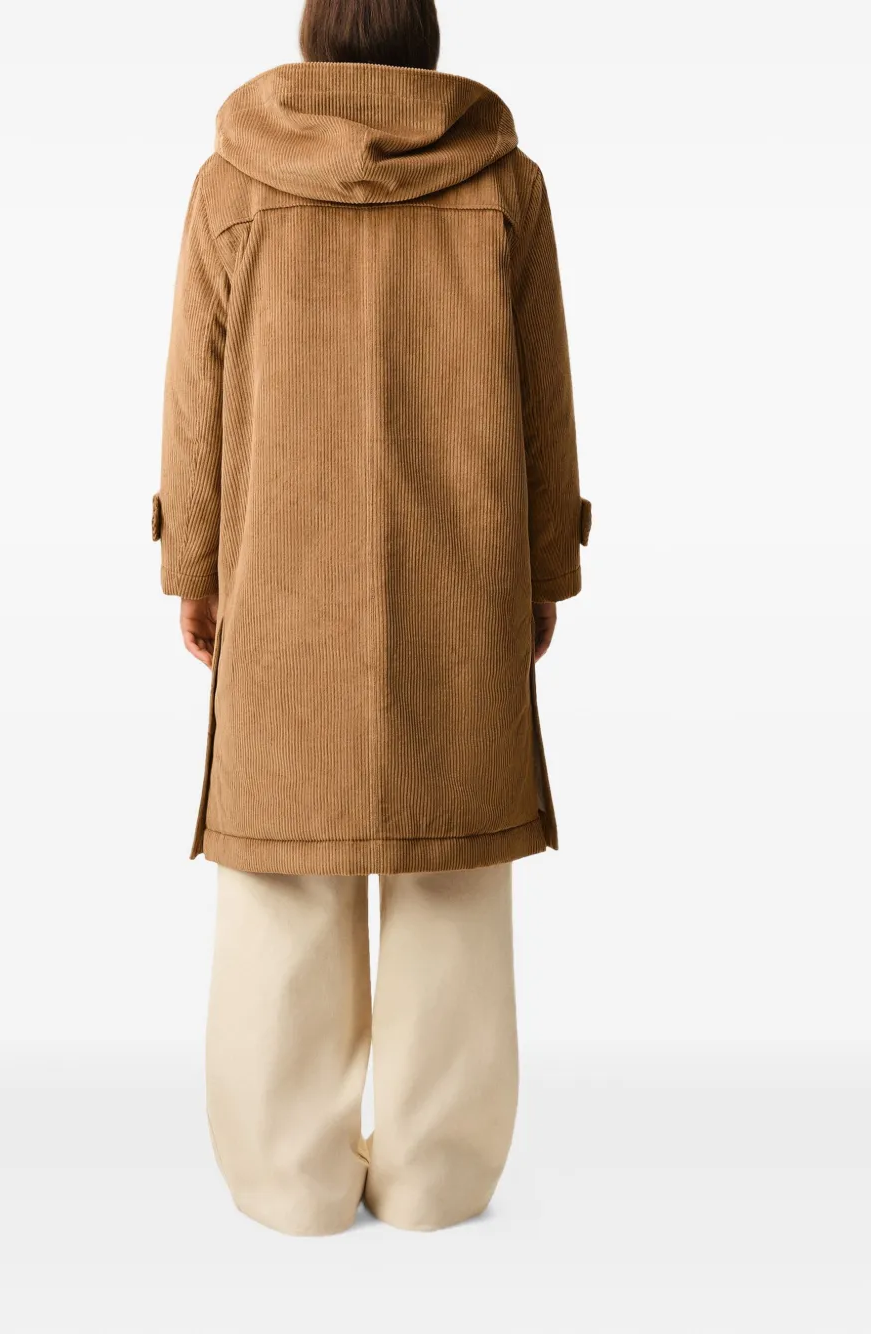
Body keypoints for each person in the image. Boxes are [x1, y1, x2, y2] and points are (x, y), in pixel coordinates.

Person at [152, 0, 591, 1235]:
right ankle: (439, 1181)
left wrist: (196, 566)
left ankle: (287, 1186)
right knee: (453, 872)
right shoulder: (504, 183)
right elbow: (545, 396)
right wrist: (541, 571)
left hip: (282, 586)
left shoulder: (232, 180)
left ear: (313, 35)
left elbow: (195, 397)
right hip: (461, 582)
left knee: (284, 875)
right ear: (423, 39)